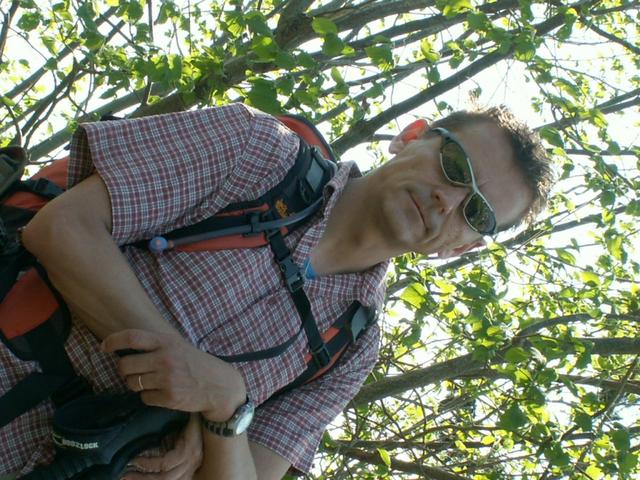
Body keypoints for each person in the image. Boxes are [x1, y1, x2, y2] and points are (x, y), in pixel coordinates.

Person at [0, 102, 552, 479]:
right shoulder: (257, 149)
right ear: (410, 137)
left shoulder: (353, 345)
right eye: (454, 166)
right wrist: (189, 387)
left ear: (461, 248)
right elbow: (62, 228)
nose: (447, 201)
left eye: (476, 212)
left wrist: (225, 410)